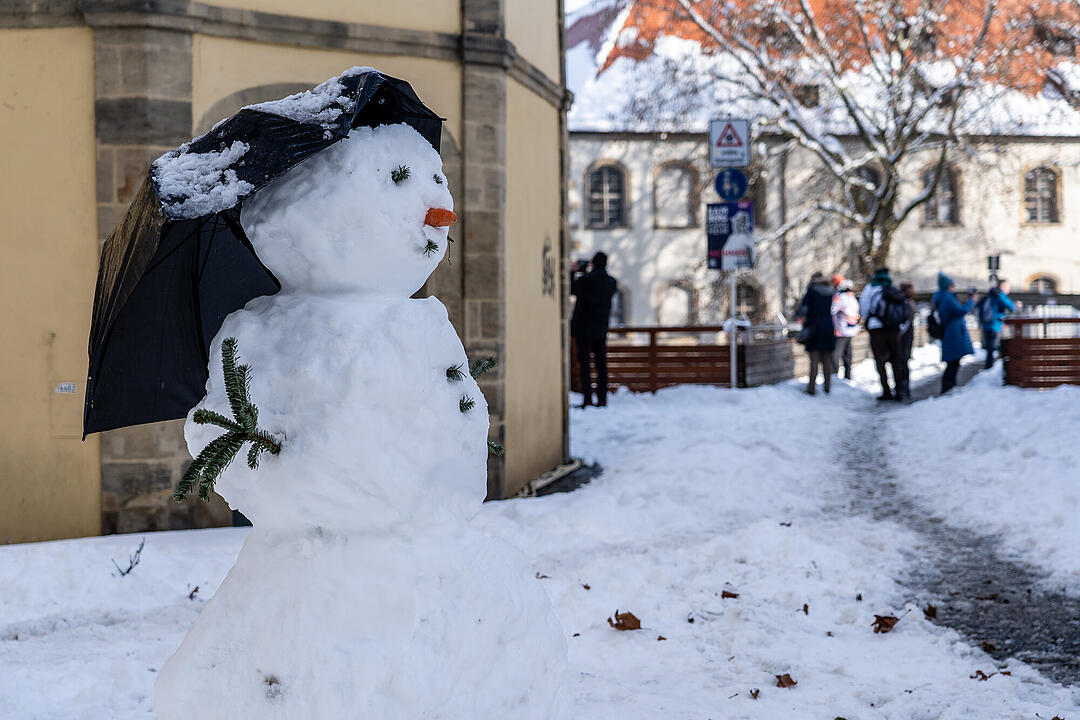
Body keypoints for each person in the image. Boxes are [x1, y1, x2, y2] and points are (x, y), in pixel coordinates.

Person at [570, 252, 618, 407]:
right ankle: (602, 399)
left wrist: (575, 271)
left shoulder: (585, 280)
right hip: (601, 329)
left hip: (583, 328)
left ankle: (588, 399)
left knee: (585, 365)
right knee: (601, 365)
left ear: (593, 263)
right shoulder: (611, 282)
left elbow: (572, 288)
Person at [858, 267, 910, 401]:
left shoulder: (870, 288)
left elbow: (864, 308)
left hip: (877, 329)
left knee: (880, 361)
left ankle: (886, 391)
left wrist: (868, 321)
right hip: (893, 329)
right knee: (896, 360)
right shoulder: (891, 287)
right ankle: (899, 390)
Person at [932, 271, 975, 394]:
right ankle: (948, 387)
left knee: (954, 360)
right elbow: (961, 310)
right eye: (952, 285)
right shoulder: (947, 299)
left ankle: (950, 385)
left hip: (952, 332)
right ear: (947, 286)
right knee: (953, 361)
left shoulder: (945, 297)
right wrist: (971, 300)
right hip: (953, 333)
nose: (954, 287)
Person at [796, 272, 837, 395]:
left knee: (814, 359)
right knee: (826, 359)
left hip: (814, 327)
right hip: (828, 326)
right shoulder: (830, 290)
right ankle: (827, 387)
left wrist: (798, 316)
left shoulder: (812, 291)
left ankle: (811, 388)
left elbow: (804, 309)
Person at [976, 278, 1016, 369]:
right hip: (995, 325)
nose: (1009, 289)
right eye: (1008, 287)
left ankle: (989, 367)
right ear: (1002, 286)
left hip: (986, 325)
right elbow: (1011, 307)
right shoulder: (999, 295)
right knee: (1001, 346)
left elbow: (978, 307)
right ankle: (996, 369)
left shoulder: (990, 295)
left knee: (990, 349)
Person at [830, 276, 860, 380]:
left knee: (835, 354)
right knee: (848, 353)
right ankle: (847, 375)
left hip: (840, 330)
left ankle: (834, 376)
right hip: (851, 329)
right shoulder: (852, 297)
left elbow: (832, 310)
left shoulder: (840, 297)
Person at [897, 281, 917, 387]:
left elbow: (906, 322)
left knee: (901, 362)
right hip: (907, 336)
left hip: (902, 336)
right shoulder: (909, 303)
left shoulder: (904, 303)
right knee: (904, 362)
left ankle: (902, 387)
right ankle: (904, 387)